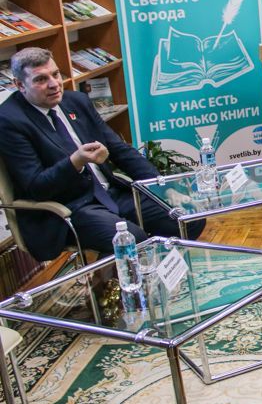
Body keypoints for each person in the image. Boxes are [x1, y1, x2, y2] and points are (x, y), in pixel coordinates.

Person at [0, 47, 205, 260]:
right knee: (132, 240)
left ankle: (153, 269)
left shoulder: (76, 101)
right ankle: (134, 272)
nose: (54, 84)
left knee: (188, 217)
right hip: (72, 207)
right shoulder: (9, 120)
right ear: (19, 85)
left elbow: (120, 150)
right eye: (41, 79)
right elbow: (36, 187)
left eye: (56, 74)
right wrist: (75, 162)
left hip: (110, 193)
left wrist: (161, 188)